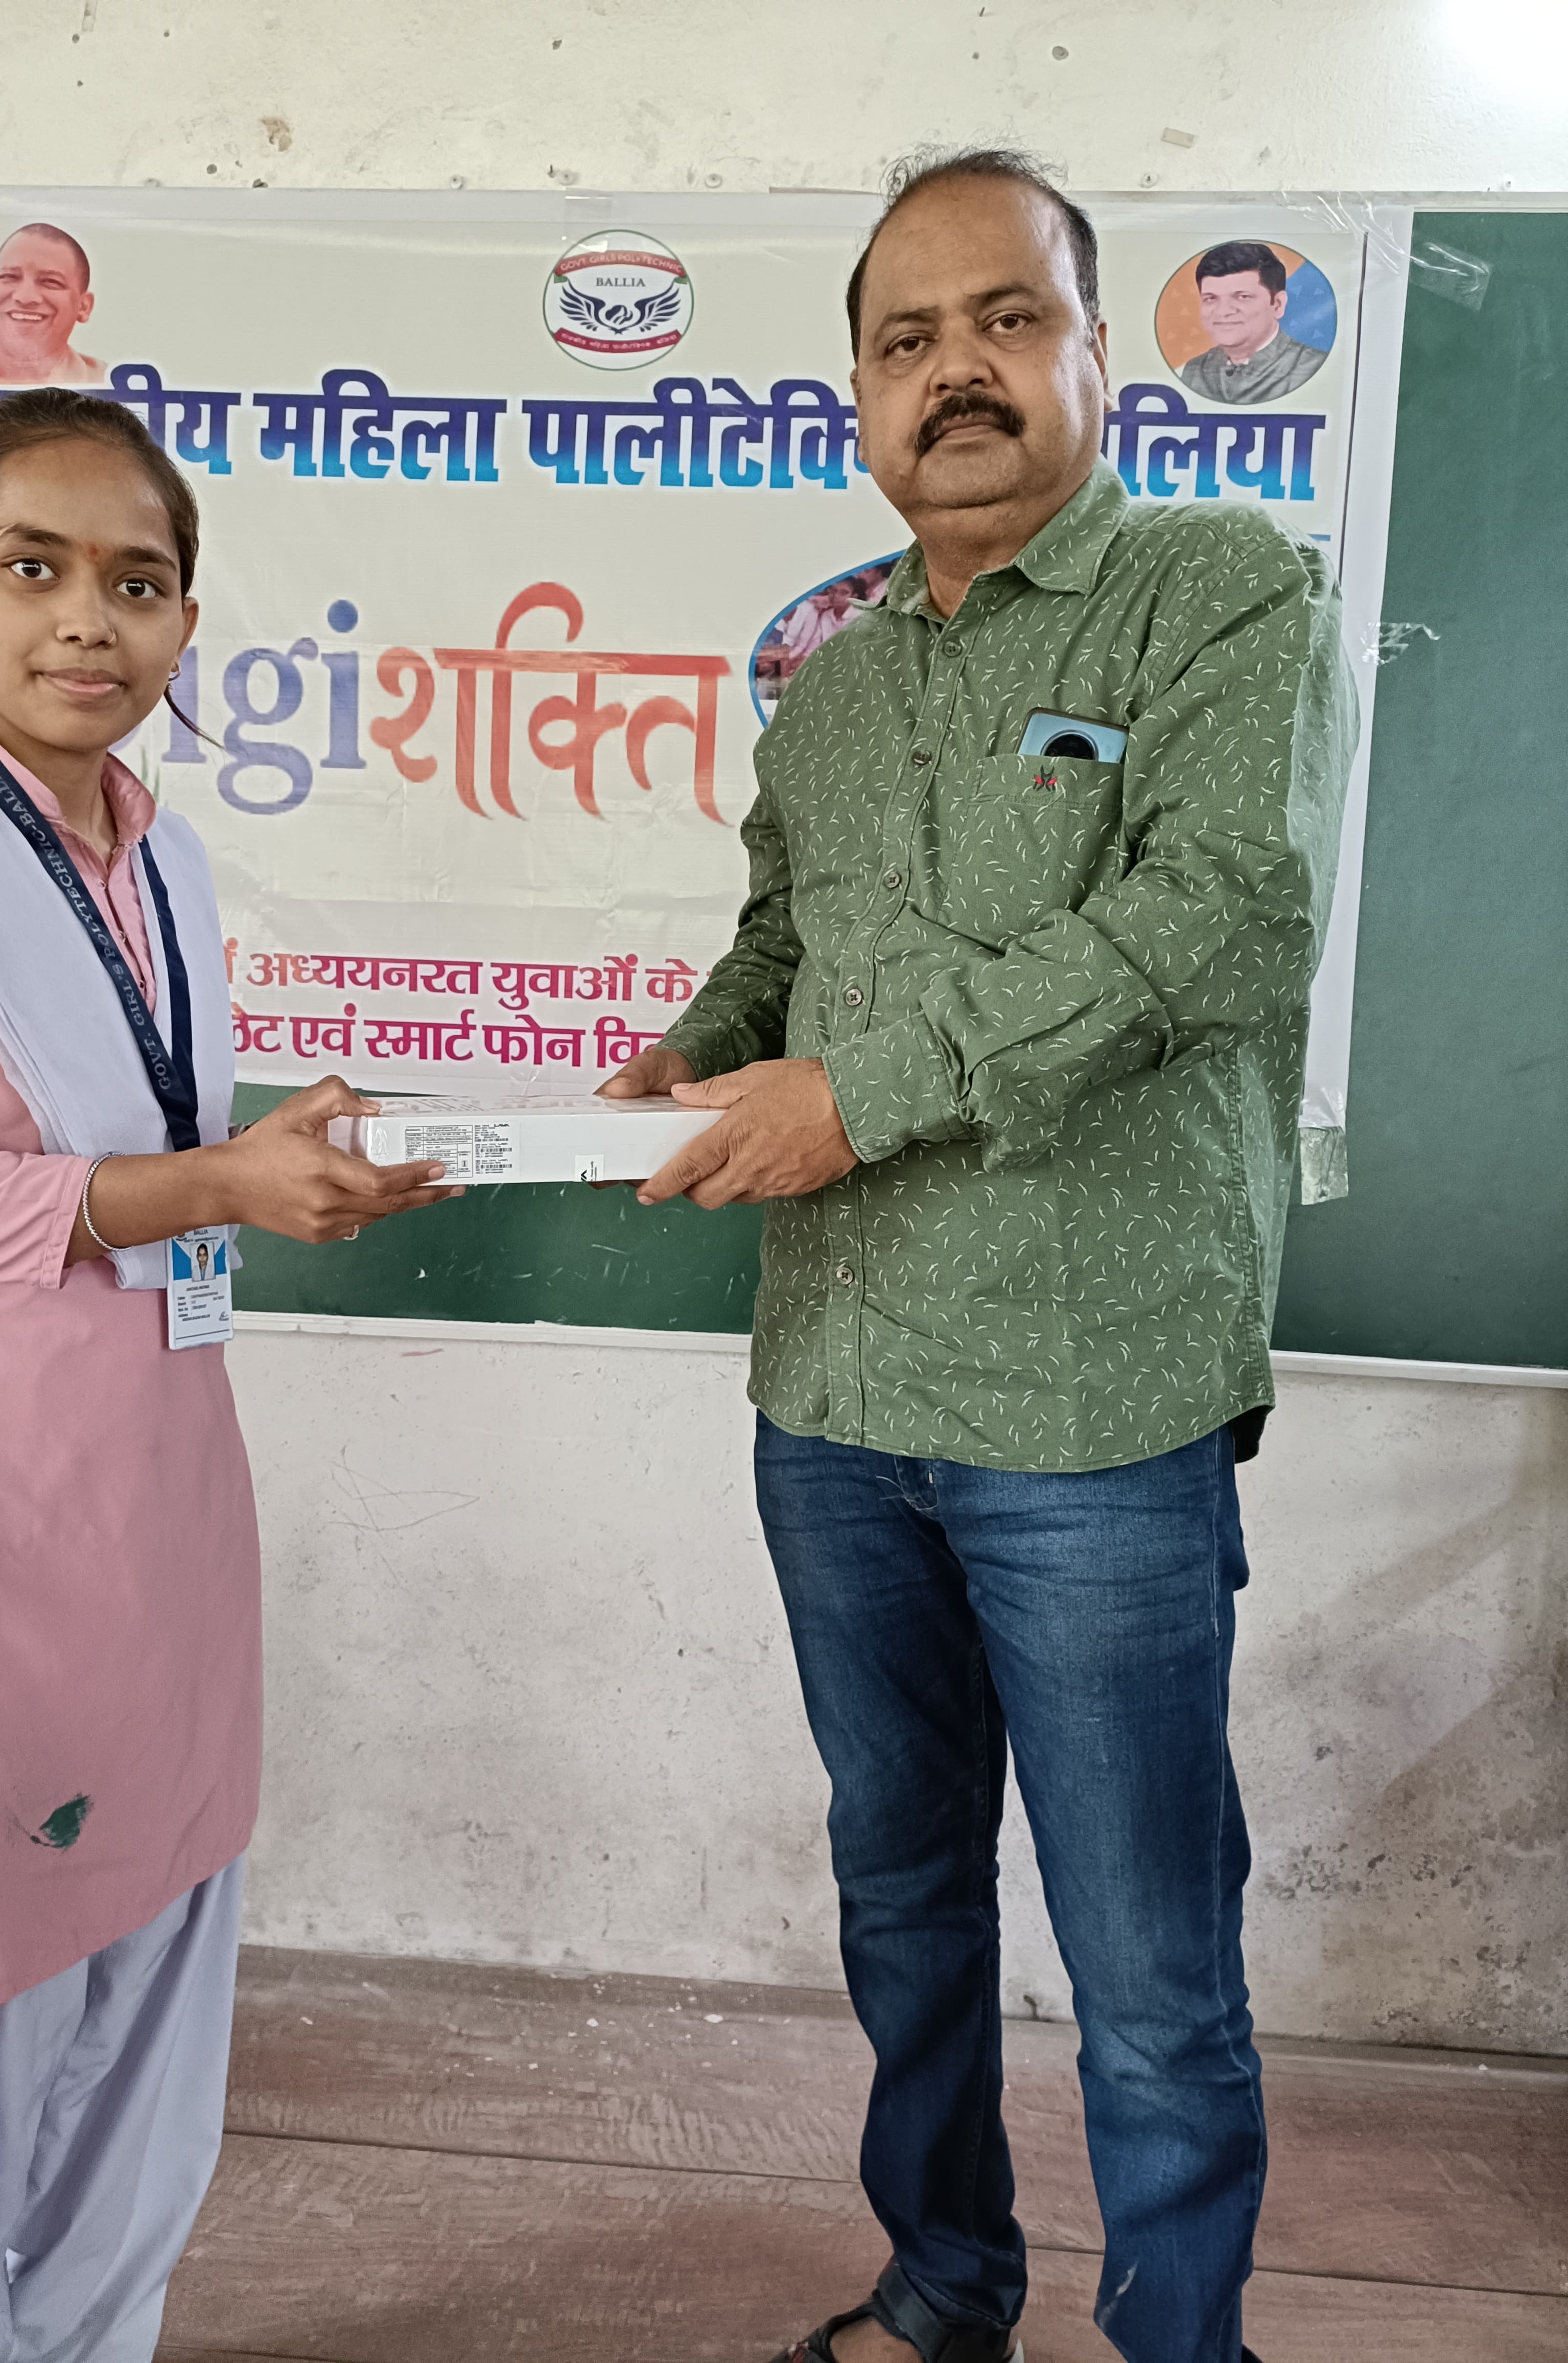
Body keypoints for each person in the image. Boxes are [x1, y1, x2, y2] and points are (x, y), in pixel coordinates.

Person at [603, 148, 1355, 2363]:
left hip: (1092, 1409)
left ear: (1097, 352)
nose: (955, 371)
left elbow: (1211, 920)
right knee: (903, 1902)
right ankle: (943, 2284)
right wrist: (693, 1054)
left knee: (1148, 1967)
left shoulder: (1218, 597)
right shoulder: (829, 686)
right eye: (905, 338)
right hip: (834, 1398)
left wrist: (856, 1089)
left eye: (1005, 319)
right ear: (855, 391)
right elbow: (780, 941)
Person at [0, 388, 457, 2361]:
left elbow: (127, 1136)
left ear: (184, 614)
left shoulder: (164, 858)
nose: (89, 619)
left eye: (139, 581)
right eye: (34, 568)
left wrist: (272, 1152)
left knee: (151, 1942)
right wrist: (216, 1181)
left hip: (154, 1487)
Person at [0, 223, 107, 388]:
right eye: (9, 276)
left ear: (84, 307)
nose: (25, 298)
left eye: (50, 281)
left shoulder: (110, 390)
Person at [1176, 240, 1326, 404]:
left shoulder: (1315, 367)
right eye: (1211, 299)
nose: (1223, 311)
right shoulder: (1194, 370)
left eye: (1243, 297)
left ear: (1277, 304)